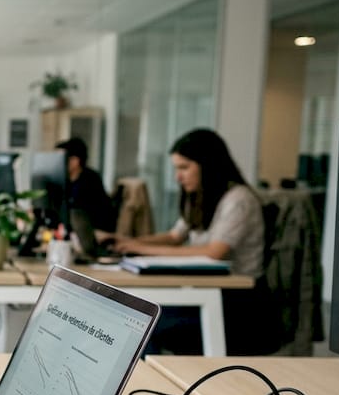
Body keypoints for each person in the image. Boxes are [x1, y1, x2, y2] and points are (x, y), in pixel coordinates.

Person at [114, 128, 278, 355]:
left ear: (208, 164)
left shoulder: (238, 199)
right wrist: (128, 242)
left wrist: (140, 248)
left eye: (184, 167)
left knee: (143, 326)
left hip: (239, 306)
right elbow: (174, 237)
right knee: (136, 318)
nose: (177, 177)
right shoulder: (202, 197)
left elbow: (213, 253)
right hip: (209, 293)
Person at [56, 137, 116, 234]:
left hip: (94, 232)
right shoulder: (65, 181)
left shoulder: (90, 181)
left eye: (60, 159)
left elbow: (79, 214)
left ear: (75, 161)